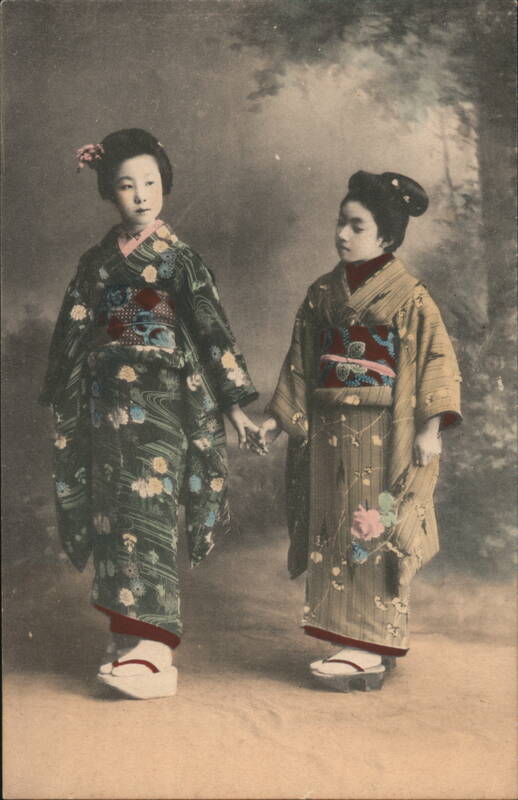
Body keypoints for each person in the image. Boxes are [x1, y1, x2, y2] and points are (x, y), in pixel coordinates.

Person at [39, 129, 259, 699]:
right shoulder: (95, 263)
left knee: (149, 512)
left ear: (166, 186)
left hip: (164, 408)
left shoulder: (182, 261)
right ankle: (124, 636)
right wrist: (61, 399)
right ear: (109, 194)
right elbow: (73, 330)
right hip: (105, 408)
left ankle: (156, 648)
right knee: (113, 516)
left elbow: (212, 332)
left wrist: (234, 407)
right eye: (126, 185)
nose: (141, 196)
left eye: (151, 184)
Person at [255, 171, 462, 692]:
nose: (342, 234)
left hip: (383, 433)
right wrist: (276, 425)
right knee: (333, 527)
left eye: (357, 225)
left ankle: (368, 648)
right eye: (341, 223)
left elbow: (437, 360)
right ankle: (354, 644)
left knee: (374, 525)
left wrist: (430, 427)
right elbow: (301, 364)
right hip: (327, 435)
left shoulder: (409, 296)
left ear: (387, 237)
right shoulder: (322, 293)